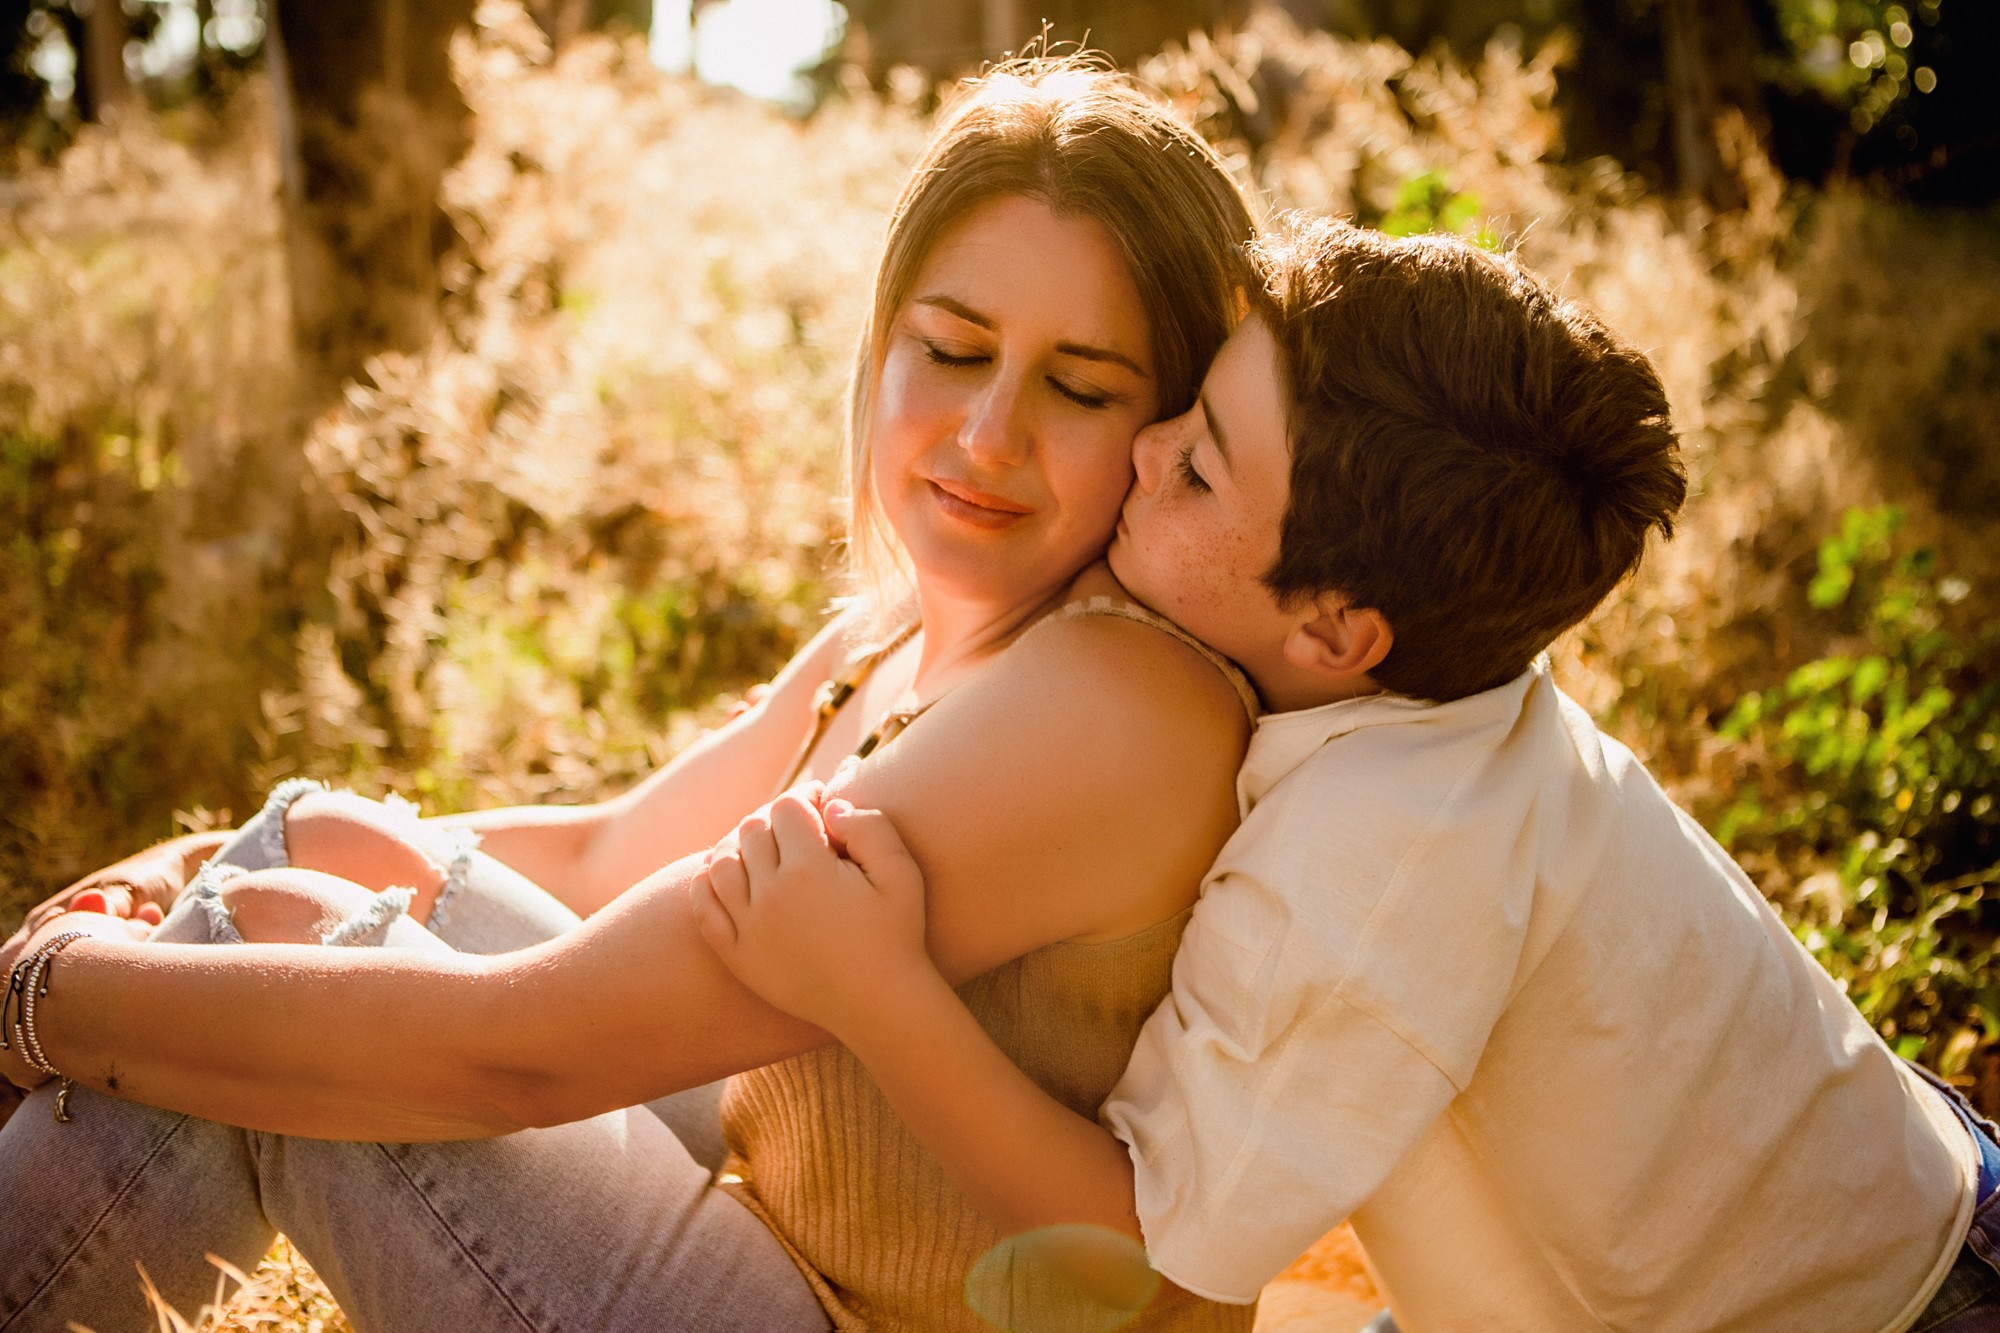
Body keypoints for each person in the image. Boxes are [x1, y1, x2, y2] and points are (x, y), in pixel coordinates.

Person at [0, 60, 1266, 1333]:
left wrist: (43, 997)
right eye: (952, 349)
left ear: (1174, 426)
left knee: (277, 948)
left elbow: (522, 1054)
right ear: (883, 343)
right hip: (773, 1235)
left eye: (1078, 386)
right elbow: (609, 854)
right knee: (308, 846)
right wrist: (184, 863)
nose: (988, 434)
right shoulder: (894, 635)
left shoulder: (1109, 703)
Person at [690, 216, 1998, 1333]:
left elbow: (1149, 1259)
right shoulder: (1424, 677)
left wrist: (875, 989)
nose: (1144, 449)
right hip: (1892, 1187)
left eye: (1197, 466)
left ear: (1331, 631)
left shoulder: (1367, 862)